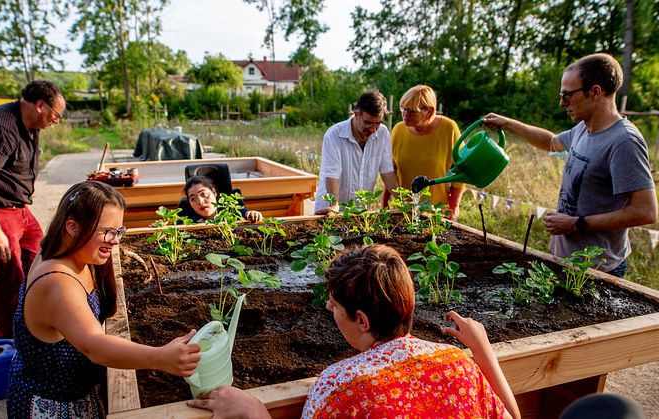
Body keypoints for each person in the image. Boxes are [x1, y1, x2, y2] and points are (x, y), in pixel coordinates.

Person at [189, 245, 520, 419]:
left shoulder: (339, 387)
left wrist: (256, 412)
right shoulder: (457, 363)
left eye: (334, 304)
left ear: (362, 321)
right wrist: (484, 351)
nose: (328, 309)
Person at [7, 181, 201, 418]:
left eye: (119, 231)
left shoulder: (67, 252)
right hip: (53, 406)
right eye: (108, 232)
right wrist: (162, 357)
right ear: (72, 227)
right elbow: (94, 345)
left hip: (62, 389)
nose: (116, 240)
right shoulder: (58, 282)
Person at [483, 53, 658, 277]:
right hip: (565, 260)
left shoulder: (624, 141)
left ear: (595, 92)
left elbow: (646, 211)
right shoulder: (584, 129)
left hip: (597, 269)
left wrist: (577, 224)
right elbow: (550, 142)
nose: (562, 102)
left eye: (568, 95)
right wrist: (507, 123)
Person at [0, 80, 65, 339]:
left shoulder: (30, 124)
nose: (56, 123)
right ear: (40, 105)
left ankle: (34, 325)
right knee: (11, 277)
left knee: (41, 261)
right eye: (56, 116)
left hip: (20, 210)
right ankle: (8, 340)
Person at [385, 84, 466, 220]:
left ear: (428, 111)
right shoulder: (398, 130)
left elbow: (462, 169)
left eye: (411, 111)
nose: (405, 114)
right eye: (403, 109)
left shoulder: (448, 129)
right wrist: (384, 203)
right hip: (404, 210)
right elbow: (390, 170)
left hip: (437, 211)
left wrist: (454, 206)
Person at [314, 91, 400, 215]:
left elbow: (387, 172)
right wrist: (334, 205)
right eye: (368, 123)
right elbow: (332, 174)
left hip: (360, 211)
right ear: (356, 114)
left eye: (378, 123)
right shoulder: (334, 135)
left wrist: (403, 202)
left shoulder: (382, 133)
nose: (373, 129)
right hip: (330, 211)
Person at [178, 175, 263, 223]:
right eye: (193, 199)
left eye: (203, 194)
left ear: (214, 192)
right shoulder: (186, 220)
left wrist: (253, 214)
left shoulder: (230, 210)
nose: (200, 201)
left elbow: (245, 213)